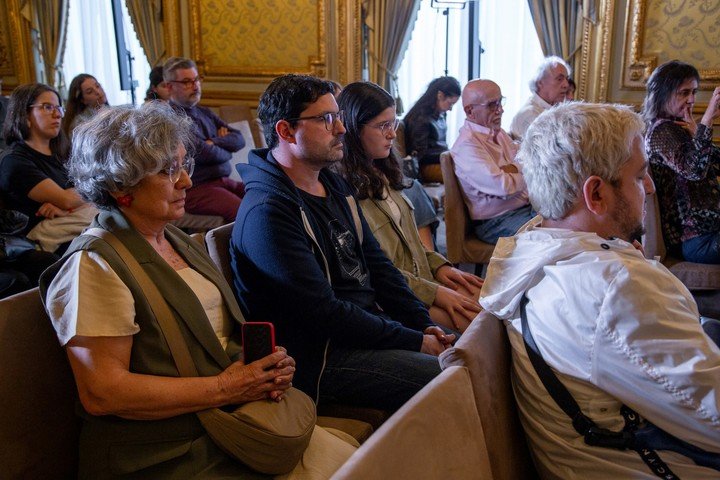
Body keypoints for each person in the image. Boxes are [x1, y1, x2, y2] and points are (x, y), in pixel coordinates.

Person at [39, 102, 354, 478]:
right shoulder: (93, 265)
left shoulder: (172, 237)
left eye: (184, 165)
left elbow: (213, 336)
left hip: (223, 422)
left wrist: (263, 365)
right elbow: (103, 392)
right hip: (163, 452)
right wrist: (226, 387)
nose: (187, 181)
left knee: (363, 461)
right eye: (169, 171)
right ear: (122, 183)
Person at [480, 102, 720, 478]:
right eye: (640, 176)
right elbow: (714, 413)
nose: (651, 188)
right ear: (596, 195)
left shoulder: (538, 251)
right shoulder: (616, 287)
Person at [230, 74, 453, 412]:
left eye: (337, 116)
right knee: (453, 376)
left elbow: (380, 270)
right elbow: (323, 313)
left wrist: (424, 324)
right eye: (326, 119)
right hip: (319, 360)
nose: (341, 129)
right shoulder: (268, 212)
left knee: (466, 351)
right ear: (286, 131)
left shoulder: (332, 185)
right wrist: (412, 339)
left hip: (361, 331)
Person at [335, 81, 483, 332]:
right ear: (352, 128)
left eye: (393, 123)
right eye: (383, 126)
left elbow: (412, 243)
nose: (392, 133)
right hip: (395, 298)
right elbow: (379, 272)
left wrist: (440, 266)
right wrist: (434, 292)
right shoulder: (343, 190)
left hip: (421, 280)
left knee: (491, 301)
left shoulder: (383, 172)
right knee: (477, 326)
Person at [642, 60, 720, 264]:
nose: (691, 100)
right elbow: (694, 170)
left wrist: (698, 133)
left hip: (708, 234)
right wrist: (706, 123)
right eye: (684, 93)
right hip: (695, 241)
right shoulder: (662, 131)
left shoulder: (679, 128)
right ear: (663, 94)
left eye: (694, 92)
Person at [0, 83, 93, 253]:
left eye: (59, 108)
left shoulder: (63, 152)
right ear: (25, 114)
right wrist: (71, 203)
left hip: (74, 224)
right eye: (47, 107)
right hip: (41, 243)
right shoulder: (14, 161)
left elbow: (77, 196)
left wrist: (69, 207)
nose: (57, 114)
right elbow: (68, 198)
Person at [450, 79, 533, 244]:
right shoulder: (467, 145)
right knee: (553, 235)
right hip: (495, 222)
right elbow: (503, 186)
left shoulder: (499, 133)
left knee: (572, 221)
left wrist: (513, 169)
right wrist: (526, 173)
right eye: (492, 105)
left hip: (524, 209)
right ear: (470, 111)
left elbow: (529, 160)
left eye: (500, 102)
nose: (500, 110)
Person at [164, 56, 246, 223]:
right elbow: (206, 154)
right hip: (196, 188)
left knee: (264, 195)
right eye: (187, 82)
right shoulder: (170, 118)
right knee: (243, 213)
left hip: (222, 180)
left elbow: (239, 139)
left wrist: (214, 141)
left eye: (196, 80)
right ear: (170, 87)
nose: (195, 86)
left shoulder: (203, 112)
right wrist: (223, 147)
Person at [403, 76, 461, 183]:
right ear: (440, 95)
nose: (451, 108)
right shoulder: (420, 118)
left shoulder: (440, 115)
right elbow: (420, 155)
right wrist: (449, 155)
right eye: (450, 103)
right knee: (465, 175)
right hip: (426, 166)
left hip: (439, 161)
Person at [509, 56, 570, 141]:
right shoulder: (530, 114)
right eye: (559, 79)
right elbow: (551, 151)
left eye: (567, 79)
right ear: (540, 83)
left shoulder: (555, 109)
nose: (566, 85)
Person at [61, 74, 109, 138]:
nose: (98, 92)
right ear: (82, 100)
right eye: (90, 91)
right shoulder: (80, 123)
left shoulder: (109, 111)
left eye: (97, 86)